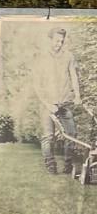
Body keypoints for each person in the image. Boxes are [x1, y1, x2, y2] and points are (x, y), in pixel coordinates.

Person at [36, 27, 82, 174]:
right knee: (48, 136)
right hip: (47, 104)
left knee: (71, 134)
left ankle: (68, 165)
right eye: (56, 41)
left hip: (64, 103)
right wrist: (47, 104)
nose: (59, 44)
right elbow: (36, 84)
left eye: (62, 41)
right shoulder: (41, 57)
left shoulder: (68, 56)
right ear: (50, 39)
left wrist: (77, 96)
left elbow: (73, 77)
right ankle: (51, 165)